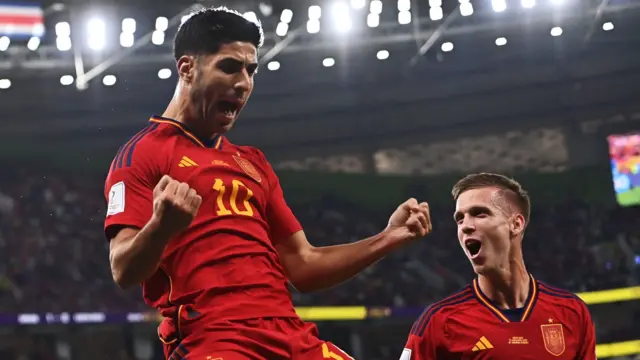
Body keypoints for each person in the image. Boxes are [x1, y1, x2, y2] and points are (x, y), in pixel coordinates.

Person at [103, 6, 432, 360]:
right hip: (214, 339)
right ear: (187, 68)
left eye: (250, 70)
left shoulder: (252, 163)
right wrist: (161, 226)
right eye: (229, 66)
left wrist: (388, 238)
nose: (243, 83)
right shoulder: (142, 153)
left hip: (290, 335)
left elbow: (303, 265)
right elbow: (123, 269)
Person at [400, 173, 596, 360]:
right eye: (460, 219)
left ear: (516, 224)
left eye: (479, 214)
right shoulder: (439, 322)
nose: (465, 226)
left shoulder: (571, 311)